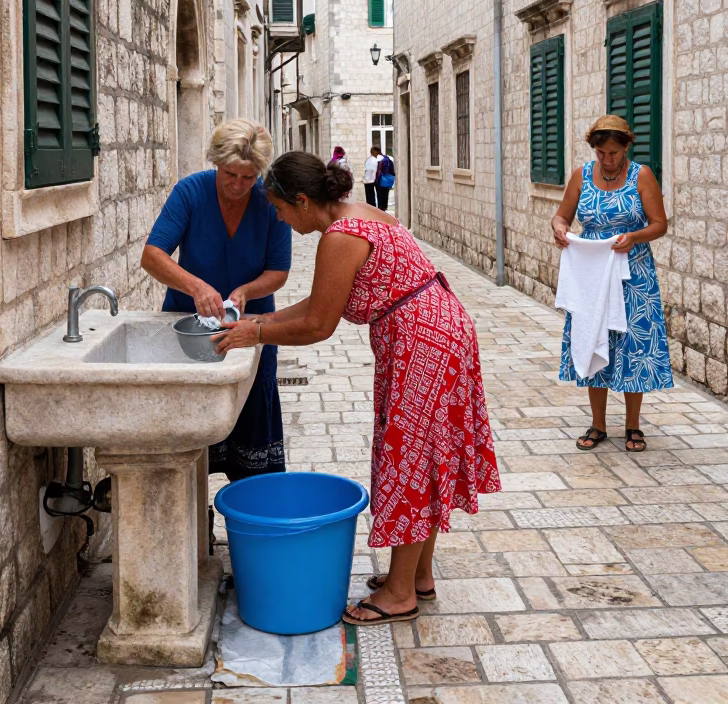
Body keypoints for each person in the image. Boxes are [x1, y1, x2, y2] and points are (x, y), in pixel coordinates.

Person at [214, 152, 500, 627]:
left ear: (303, 201)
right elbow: (323, 297)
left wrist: (256, 335)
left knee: (408, 457)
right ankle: (417, 575)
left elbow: (319, 324)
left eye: (281, 211)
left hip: (421, 341)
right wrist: (262, 319)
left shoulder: (340, 237)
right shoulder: (358, 214)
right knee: (422, 454)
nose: (281, 220)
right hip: (438, 328)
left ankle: (400, 593)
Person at [142, 120, 292, 481]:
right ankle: (193, 526)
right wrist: (195, 287)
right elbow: (152, 256)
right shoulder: (190, 193)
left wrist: (246, 292)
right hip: (187, 333)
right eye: (230, 175)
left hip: (249, 329)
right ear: (215, 163)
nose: (238, 186)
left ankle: (250, 523)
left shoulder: (269, 202)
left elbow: (279, 271)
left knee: (252, 421)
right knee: (187, 433)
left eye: (248, 177)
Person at [551, 115, 671, 453]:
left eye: (615, 153)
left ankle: (633, 425)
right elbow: (562, 215)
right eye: (602, 152)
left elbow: (659, 224)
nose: (608, 159)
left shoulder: (641, 176)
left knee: (633, 345)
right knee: (593, 338)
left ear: (627, 147)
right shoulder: (581, 176)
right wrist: (559, 229)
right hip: (591, 274)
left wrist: (634, 236)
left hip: (633, 275)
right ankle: (598, 424)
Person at [375, 149, 396, 213]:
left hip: (381, 180)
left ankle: (381, 209)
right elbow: (393, 172)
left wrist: (376, 181)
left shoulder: (380, 161)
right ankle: (385, 207)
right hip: (388, 180)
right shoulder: (389, 160)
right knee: (386, 194)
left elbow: (379, 172)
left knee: (380, 195)